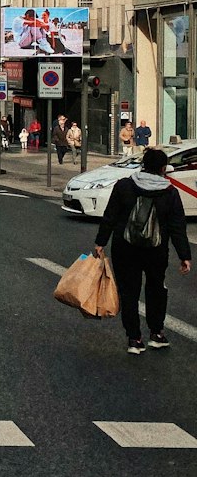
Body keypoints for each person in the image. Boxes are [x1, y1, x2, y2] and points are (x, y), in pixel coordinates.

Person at [93, 146, 192, 354]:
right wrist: (184, 255)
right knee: (156, 288)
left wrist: (100, 242)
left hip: (125, 247)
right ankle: (156, 334)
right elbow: (177, 226)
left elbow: (110, 216)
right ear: (163, 168)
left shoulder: (124, 186)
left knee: (129, 292)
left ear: (143, 165)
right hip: (156, 250)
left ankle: (134, 339)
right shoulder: (169, 192)